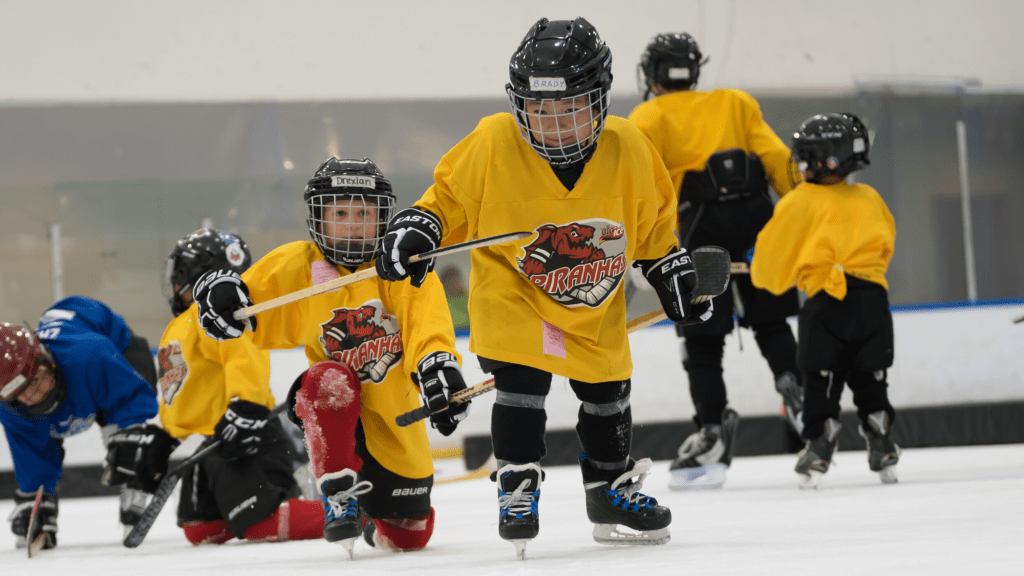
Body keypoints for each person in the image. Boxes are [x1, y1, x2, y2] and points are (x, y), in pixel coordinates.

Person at [374, 17, 710, 556]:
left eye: (568, 108)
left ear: (599, 99)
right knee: (521, 380)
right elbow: (446, 203)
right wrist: (418, 226)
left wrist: (667, 269)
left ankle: (608, 491)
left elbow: (652, 232)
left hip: (592, 304)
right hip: (514, 295)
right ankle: (518, 482)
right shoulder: (493, 141)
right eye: (538, 109)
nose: (551, 124)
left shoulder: (630, 147)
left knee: (607, 395)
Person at [189, 157, 467, 557]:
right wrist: (217, 290)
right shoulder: (297, 267)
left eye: (363, 212)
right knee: (326, 378)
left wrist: (437, 366)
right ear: (318, 217)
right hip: (334, 410)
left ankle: (371, 515)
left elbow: (429, 327)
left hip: (394, 426)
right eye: (340, 212)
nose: (353, 224)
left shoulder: (403, 267)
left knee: (410, 535)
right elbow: (239, 306)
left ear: (382, 217)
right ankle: (337, 485)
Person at [629, 32, 804, 489]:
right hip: (757, 223)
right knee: (771, 322)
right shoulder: (735, 103)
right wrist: (805, 216)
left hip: (698, 229)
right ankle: (795, 385)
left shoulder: (647, 116)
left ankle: (712, 428)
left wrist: (645, 253)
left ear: (652, 75)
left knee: (703, 336)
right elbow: (778, 160)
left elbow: (643, 189)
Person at [104, 228, 323, 545]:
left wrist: (247, 405)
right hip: (212, 443)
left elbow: (243, 358)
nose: (175, 283)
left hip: (245, 434)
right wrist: (166, 437)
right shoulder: (177, 327)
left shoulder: (217, 315)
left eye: (180, 273)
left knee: (262, 524)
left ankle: (351, 511)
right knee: (200, 529)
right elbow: (181, 390)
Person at [751, 112, 901, 489]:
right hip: (873, 303)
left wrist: (763, 272)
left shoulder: (799, 202)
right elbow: (887, 246)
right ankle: (880, 433)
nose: (799, 162)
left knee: (820, 378)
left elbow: (771, 267)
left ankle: (820, 442)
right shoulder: (870, 197)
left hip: (826, 306)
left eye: (805, 154)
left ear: (825, 158)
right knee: (870, 375)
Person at [1, 297, 159, 550]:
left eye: (36, 381)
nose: (33, 396)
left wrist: (133, 437)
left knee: (124, 436)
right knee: (34, 431)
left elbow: (135, 398)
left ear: (46, 358)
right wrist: (36, 498)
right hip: (75, 366)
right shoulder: (10, 407)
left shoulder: (90, 355)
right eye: (19, 393)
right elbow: (32, 453)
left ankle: (134, 480)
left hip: (117, 348)